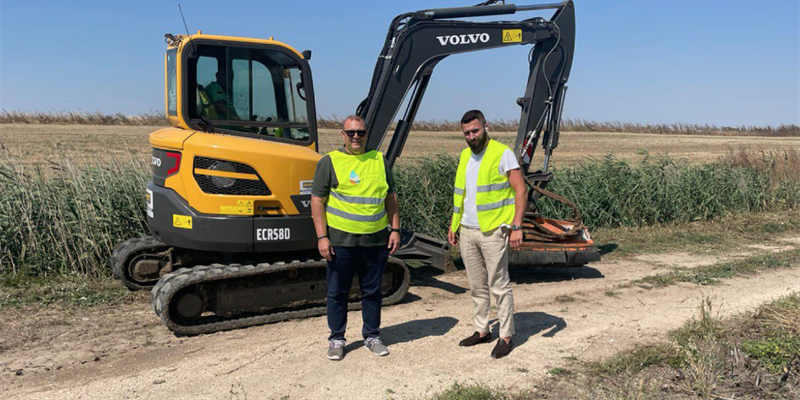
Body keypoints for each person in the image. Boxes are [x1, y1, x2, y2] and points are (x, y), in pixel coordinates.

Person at [310, 115, 402, 361]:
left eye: (360, 132)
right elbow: (317, 201)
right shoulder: (329, 162)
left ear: (367, 134)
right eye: (351, 133)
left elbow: (390, 198)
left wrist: (395, 229)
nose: (356, 137)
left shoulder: (379, 161)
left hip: (375, 242)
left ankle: (372, 336)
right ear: (342, 135)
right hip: (341, 242)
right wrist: (322, 237)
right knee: (337, 292)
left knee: (372, 291)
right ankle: (337, 339)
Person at [448, 109, 527, 359]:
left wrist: (516, 226)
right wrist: (454, 224)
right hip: (468, 230)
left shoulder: (502, 153)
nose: (471, 136)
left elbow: (521, 191)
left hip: (493, 230)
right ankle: (482, 330)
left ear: (486, 127)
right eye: (467, 133)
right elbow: (461, 194)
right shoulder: (464, 156)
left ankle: (505, 335)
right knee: (476, 286)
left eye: (475, 130)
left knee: (498, 285)